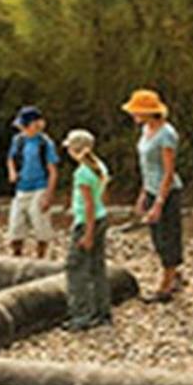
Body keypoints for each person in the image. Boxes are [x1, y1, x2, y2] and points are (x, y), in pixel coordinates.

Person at [121, 88, 184, 300]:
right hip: (150, 188)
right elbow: (146, 166)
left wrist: (159, 202)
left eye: (137, 111)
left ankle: (166, 286)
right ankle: (173, 273)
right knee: (157, 237)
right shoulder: (146, 130)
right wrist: (143, 193)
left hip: (166, 192)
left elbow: (168, 171)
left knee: (167, 237)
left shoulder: (166, 134)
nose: (133, 115)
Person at [63, 128, 113, 330]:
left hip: (87, 222)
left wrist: (88, 233)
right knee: (96, 267)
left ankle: (81, 314)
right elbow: (102, 197)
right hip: (100, 218)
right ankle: (102, 311)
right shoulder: (99, 166)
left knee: (75, 268)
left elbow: (89, 204)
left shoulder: (82, 172)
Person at [5, 105, 59, 259]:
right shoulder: (18, 140)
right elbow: (10, 158)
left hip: (39, 187)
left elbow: (53, 171)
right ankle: (16, 255)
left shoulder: (45, 143)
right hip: (21, 188)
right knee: (15, 225)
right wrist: (12, 172)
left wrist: (48, 195)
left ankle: (40, 257)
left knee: (40, 225)